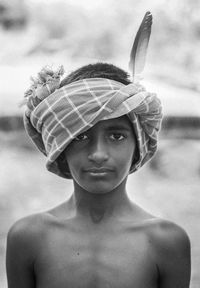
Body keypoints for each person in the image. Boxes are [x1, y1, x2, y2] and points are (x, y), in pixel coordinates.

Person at [6, 62, 191, 288]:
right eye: (80, 137)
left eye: (116, 136)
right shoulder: (28, 238)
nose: (98, 154)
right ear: (61, 148)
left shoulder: (167, 242)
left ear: (138, 147)